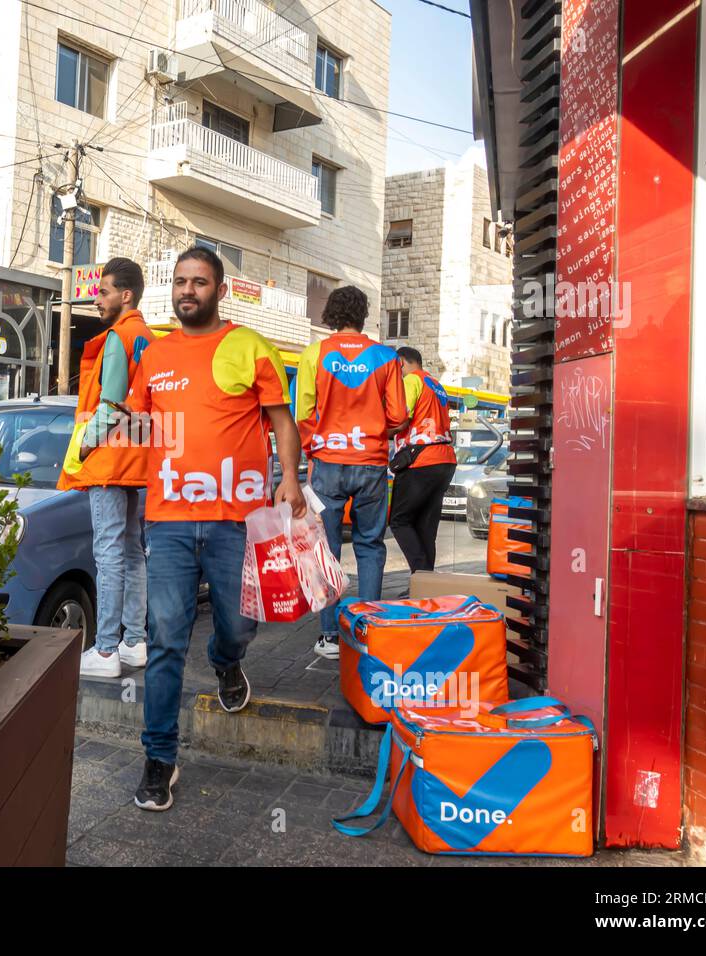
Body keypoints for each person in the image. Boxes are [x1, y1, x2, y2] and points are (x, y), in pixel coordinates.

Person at [115, 246, 305, 812]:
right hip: (170, 520)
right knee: (167, 638)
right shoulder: (153, 354)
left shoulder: (249, 345)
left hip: (235, 519)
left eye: (198, 282)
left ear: (220, 290)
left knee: (239, 623)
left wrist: (288, 478)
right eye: (179, 282)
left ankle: (226, 661)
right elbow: (138, 425)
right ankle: (159, 758)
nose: (187, 291)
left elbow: (281, 421)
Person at [294, 286, 408, 660]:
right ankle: (369, 630)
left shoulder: (315, 354)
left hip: (328, 464)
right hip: (372, 464)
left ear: (330, 314)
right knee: (370, 545)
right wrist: (372, 431)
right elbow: (398, 418)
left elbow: (303, 415)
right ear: (363, 315)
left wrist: (319, 446)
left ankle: (329, 636)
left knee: (325, 550)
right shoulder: (385, 357)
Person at [58, 258, 154, 678]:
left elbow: (111, 404)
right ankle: (134, 642)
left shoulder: (119, 336)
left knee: (109, 553)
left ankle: (106, 649)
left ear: (125, 295)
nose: (97, 300)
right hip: (136, 458)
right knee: (132, 552)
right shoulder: (147, 337)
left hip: (109, 460)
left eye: (104, 292)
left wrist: (82, 446)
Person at [388, 346, 457, 572]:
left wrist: (375, 432)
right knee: (426, 527)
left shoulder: (411, 381)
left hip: (421, 460)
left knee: (399, 520)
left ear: (401, 362)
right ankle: (427, 584)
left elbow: (400, 418)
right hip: (444, 459)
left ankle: (420, 573)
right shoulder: (436, 385)